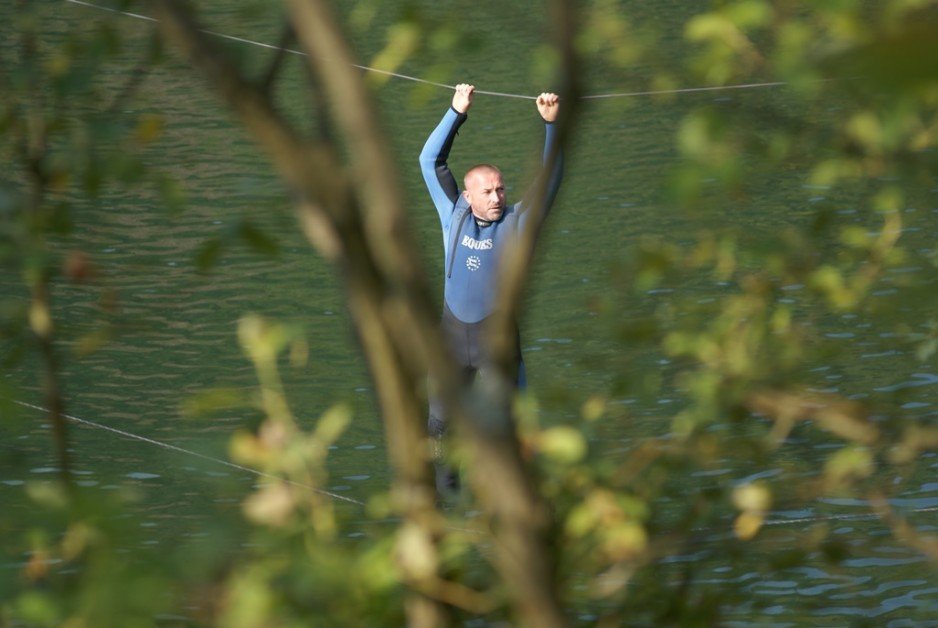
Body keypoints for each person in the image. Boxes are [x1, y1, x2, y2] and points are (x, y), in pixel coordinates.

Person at [419, 83, 563, 496]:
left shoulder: (517, 223)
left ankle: (525, 510)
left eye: (501, 189)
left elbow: (550, 179)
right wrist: (455, 111)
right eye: (489, 191)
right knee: (440, 426)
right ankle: (445, 502)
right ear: (469, 195)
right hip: (450, 340)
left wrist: (550, 126)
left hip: (496, 344)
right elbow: (430, 161)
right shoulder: (453, 213)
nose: (499, 197)